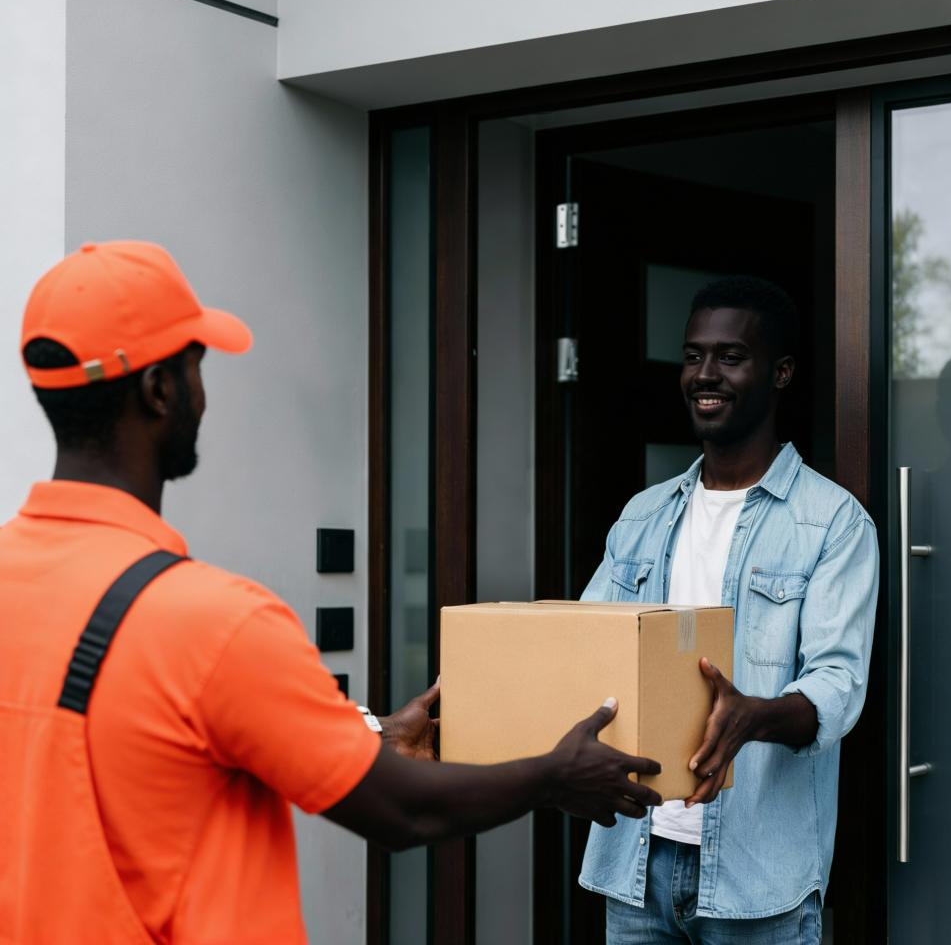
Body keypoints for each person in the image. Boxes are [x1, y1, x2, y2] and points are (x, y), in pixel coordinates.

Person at [0, 241, 662, 944]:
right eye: (197, 365)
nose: (202, 392)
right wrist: (552, 775)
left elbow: (151, 749)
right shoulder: (214, 622)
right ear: (158, 390)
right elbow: (401, 812)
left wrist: (370, 734)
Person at [577, 277, 879, 944]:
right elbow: (581, 646)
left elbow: (838, 682)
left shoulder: (832, 522)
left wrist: (754, 717)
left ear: (781, 373)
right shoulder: (643, 514)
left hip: (757, 879)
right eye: (692, 356)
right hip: (635, 861)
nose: (704, 375)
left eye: (729, 357)